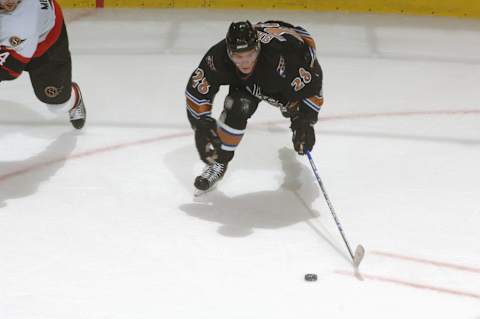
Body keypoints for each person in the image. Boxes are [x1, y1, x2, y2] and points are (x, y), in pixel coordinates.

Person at [186, 20, 323, 192]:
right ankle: (220, 161)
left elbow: (313, 84)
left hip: (284, 79)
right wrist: (201, 122)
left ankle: (292, 111)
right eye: (238, 56)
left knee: (293, 107)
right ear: (229, 52)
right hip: (250, 84)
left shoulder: (284, 58)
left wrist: (305, 119)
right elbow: (197, 90)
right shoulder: (218, 57)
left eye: (250, 55)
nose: (245, 62)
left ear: (258, 48)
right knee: (237, 107)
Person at [0, 0, 86, 129]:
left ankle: (74, 98)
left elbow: (10, 69)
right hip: (20, 36)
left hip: (46, 46)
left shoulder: (19, 24)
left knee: (57, 103)